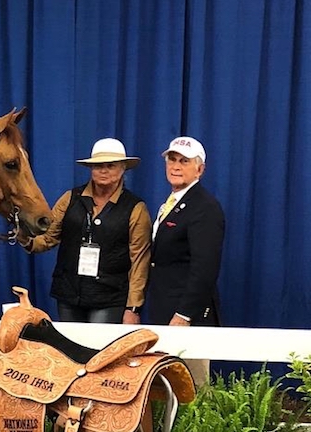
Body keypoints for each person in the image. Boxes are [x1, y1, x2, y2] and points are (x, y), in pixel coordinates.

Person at [25, 138, 151, 324]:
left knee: (99, 350)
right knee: (70, 350)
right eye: (98, 165)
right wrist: (25, 239)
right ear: (91, 169)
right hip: (69, 294)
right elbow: (48, 238)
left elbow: (139, 261)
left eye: (111, 165)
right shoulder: (70, 198)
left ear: (123, 168)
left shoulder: (135, 208)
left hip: (109, 298)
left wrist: (133, 308)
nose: (104, 170)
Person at [146, 136, 225, 326]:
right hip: (163, 306)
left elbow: (205, 266)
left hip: (187, 317)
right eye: (172, 160)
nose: (176, 166)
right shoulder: (173, 203)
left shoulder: (204, 207)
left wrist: (184, 314)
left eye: (184, 161)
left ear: (200, 169)